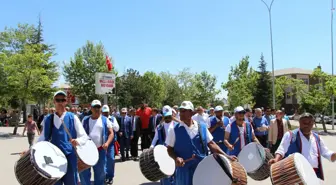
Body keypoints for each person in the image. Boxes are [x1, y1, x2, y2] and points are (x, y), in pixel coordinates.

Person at [166, 101, 236, 185]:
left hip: (202, 169)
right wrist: (176, 158)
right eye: (180, 111)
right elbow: (169, 149)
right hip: (183, 171)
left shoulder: (202, 127)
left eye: (184, 111)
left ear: (191, 112)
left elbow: (211, 144)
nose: (181, 113)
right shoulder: (173, 129)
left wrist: (227, 156)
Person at [34, 90, 88, 185]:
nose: (60, 103)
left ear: (66, 101)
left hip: (70, 157)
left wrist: (77, 141)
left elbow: (84, 136)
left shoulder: (73, 117)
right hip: (53, 159)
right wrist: (31, 151)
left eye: (62, 100)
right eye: (57, 100)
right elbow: (42, 139)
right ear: (54, 101)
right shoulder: (48, 119)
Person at [269, 113, 336, 180]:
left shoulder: (317, 138)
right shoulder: (290, 135)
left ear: (313, 123)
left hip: (313, 174)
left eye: (309, 123)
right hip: (294, 174)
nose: (307, 125)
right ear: (299, 123)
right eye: (304, 123)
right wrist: (276, 159)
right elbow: (281, 150)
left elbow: (327, 153)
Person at [79, 100, 114, 185]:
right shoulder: (85, 119)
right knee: (84, 172)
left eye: (98, 107)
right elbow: (80, 133)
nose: (96, 109)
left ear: (101, 108)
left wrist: (107, 143)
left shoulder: (105, 120)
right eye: (94, 107)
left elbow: (111, 133)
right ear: (91, 108)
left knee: (100, 173)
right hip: (86, 151)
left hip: (100, 150)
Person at [150, 105, 176, 185]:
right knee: (164, 172)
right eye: (166, 116)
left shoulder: (176, 125)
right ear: (163, 116)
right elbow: (155, 138)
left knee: (174, 172)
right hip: (163, 152)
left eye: (169, 116)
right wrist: (151, 147)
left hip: (174, 151)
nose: (168, 118)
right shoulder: (159, 127)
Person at [101, 105, 120, 185]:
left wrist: (110, 123)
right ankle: (104, 176)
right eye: (104, 112)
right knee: (102, 161)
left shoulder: (112, 118)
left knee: (111, 159)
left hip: (111, 143)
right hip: (101, 143)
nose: (105, 114)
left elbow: (117, 128)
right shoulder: (100, 119)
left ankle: (110, 176)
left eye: (106, 112)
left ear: (109, 112)